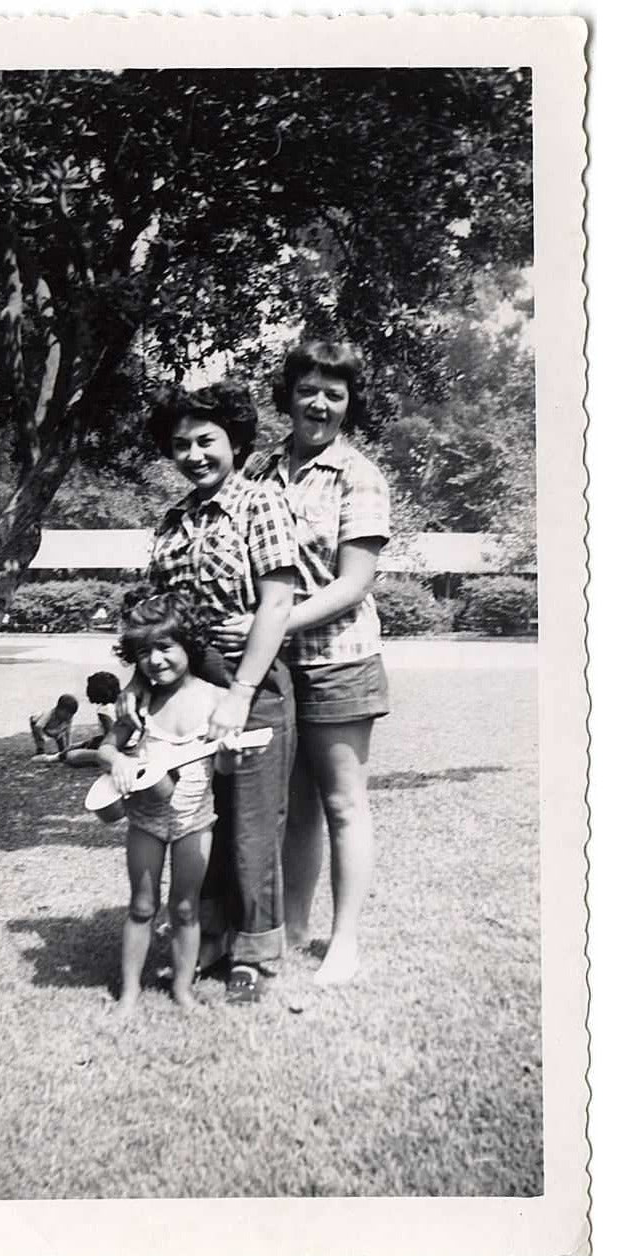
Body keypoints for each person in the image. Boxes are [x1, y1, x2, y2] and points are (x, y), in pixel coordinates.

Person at [232, 340, 391, 986]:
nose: (319, 403)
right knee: (295, 808)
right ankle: (292, 928)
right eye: (308, 389)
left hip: (339, 661)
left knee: (343, 804)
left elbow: (353, 583)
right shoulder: (261, 470)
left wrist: (270, 624)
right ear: (288, 396)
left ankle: (343, 940)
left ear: (349, 403)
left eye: (335, 392)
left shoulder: (359, 475)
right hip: (276, 670)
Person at [134, 380, 298, 1004]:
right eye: (181, 445)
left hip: (250, 683)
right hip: (187, 688)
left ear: (235, 440)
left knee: (253, 824)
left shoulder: (262, 505)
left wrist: (240, 694)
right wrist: (138, 689)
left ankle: (252, 951)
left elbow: (277, 603)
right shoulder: (172, 520)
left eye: (207, 440)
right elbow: (154, 616)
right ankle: (209, 932)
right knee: (200, 817)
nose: (195, 454)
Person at [96, 593, 244, 1015]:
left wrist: (231, 751)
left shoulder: (217, 699)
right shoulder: (141, 702)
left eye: (165, 647)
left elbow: (228, 770)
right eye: (143, 652)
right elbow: (105, 749)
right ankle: (128, 994)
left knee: (184, 907)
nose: (155, 661)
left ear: (188, 646)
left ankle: (182, 989)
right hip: (145, 820)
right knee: (142, 906)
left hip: (195, 822)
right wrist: (120, 759)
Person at [34, 671, 121, 766]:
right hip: (126, 745)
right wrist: (86, 743)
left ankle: (53, 758)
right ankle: (57, 756)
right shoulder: (121, 703)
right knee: (77, 746)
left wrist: (90, 745)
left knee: (71, 756)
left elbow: (112, 739)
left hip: (116, 750)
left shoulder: (104, 711)